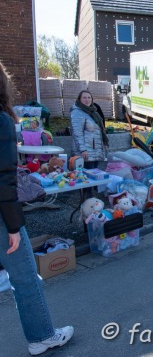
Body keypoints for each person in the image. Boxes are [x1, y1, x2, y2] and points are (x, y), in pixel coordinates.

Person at [0, 61, 73, 355]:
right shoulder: (2, 121)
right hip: (2, 217)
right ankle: (42, 336)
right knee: (25, 279)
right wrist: (15, 226)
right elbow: (4, 178)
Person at [70, 90, 109, 169]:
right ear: (79, 99)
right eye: (84, 98)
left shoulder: (93, 111)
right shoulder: (77, 112)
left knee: (94, 175)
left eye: (89, 97)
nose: (87, 100)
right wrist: (83, 150)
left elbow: (98, 131)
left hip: (95, 151)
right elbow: (77, 134)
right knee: (87, 177)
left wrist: (104, 143)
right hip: (86, 153)